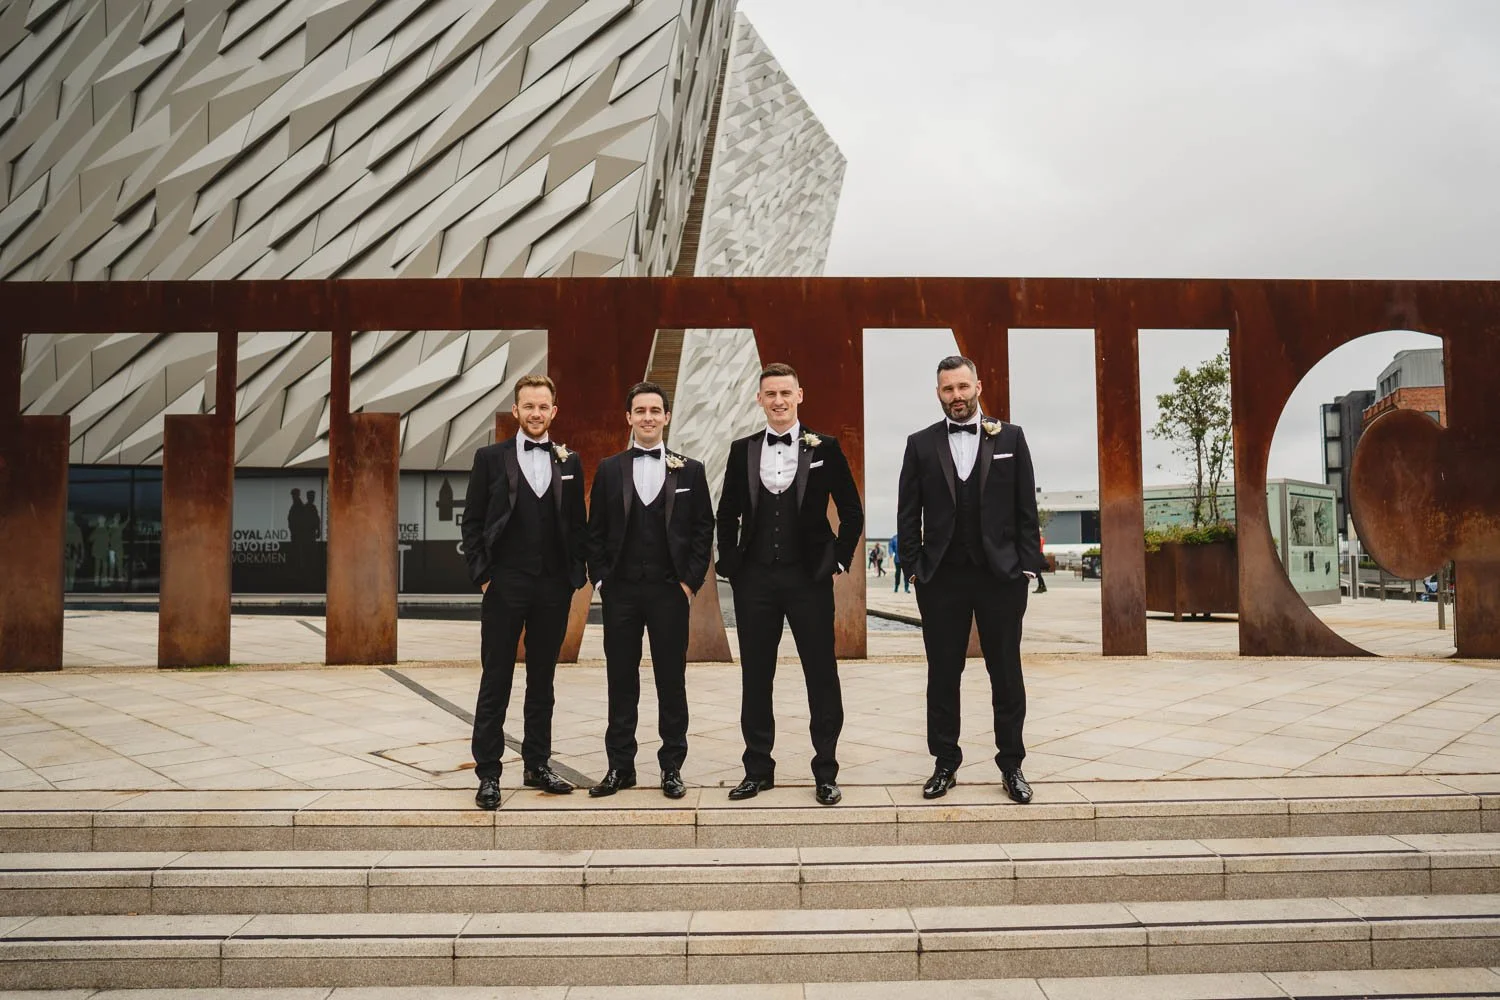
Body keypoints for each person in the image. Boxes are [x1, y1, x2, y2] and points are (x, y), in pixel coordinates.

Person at [897, 355, 1044, 805]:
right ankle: (945, 763)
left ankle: (1012, 765)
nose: (956, 397)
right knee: (943, 673)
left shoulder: (1011, 438)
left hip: (1000, 576)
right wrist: (915, 568)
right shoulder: (920, 444)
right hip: (941, 578)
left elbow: (1025, 508)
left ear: (978, 385)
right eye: (947, 389)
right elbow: (907, 513)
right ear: (938, 392)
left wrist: (1026, 566)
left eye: (962, 387)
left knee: (1006, 672)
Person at [716, 362, 864, 806]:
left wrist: (837, 561)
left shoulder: (827, 447)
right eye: (770, 394)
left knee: (821, 674)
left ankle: (826, 771)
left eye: (786, 393)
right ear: (759, 399)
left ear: (800, 395)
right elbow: (727, 513)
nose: (778, 401)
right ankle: (757, 769)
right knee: (755, 676)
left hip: (809, 579)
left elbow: (852, 512)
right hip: (755, 580)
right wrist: (734, 564)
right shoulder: (741, 449)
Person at [461, 374, 588, 810]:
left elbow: (576, 524)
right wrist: (485, 576)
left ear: (555, 411)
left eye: (543, 406)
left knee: (543, 680)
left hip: (553, 586)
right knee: (496, 678)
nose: (536, 413)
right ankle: (489, 774)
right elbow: (472, 521)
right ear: (516, 411)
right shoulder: (490, 458)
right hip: (505, 584)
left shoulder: (569, 461)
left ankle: (537, 763)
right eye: (528, 406)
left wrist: (574, 575)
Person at [585, 382, 714, 800]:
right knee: (620, 681)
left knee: (670, 682)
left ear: (667, 417)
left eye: (655, 410)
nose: (647, 417)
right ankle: (620, 767)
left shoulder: (690, 470)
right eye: (639, 410)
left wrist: (688, 582)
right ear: (629, 418)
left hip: (668, 592)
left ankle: (672, 767)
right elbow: (596, 531)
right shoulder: (609, 469)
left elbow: (702, 530)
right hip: (621, 591)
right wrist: (602, 579)